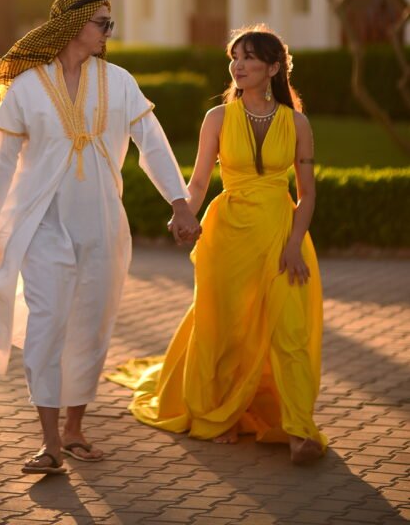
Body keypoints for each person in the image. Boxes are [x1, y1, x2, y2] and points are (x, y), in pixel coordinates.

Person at [0, 0, 201, 475]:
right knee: (48, 321)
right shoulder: (29, 87)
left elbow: (153, 145)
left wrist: (180, 204)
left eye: (109, 24)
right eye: (102, 23)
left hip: (103, 226)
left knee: (91, 328)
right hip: (43, 226)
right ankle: (50, 442)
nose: (107, 33)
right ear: (72, 25)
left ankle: (75, 430)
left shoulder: (119, 82)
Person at [108, 25, 326, 466]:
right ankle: (217, 411)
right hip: (228, 234)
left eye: (248, 58)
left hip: (281, 235)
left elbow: (306, 192)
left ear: (273, 68)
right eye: (234, 57)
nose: (238, 66)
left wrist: (294, 243)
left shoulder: (297, 122)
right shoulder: (218, 118)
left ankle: (299, 429)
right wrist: (183, 211)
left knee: (290, 331)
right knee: (225, 324)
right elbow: (201, 180)